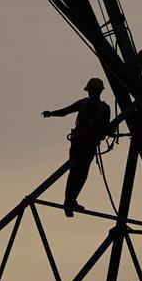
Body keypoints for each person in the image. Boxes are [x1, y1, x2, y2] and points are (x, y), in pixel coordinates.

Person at [42, 77, 112, 217]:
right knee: (80, 174)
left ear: (90, 90)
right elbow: (107, 129)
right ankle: (70, 201)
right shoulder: (104, 108)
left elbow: (65, 111)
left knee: (76, 173)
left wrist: (51, 114)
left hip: (80, 143)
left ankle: (70, 201)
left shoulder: (85, 103)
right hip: (88, 145)